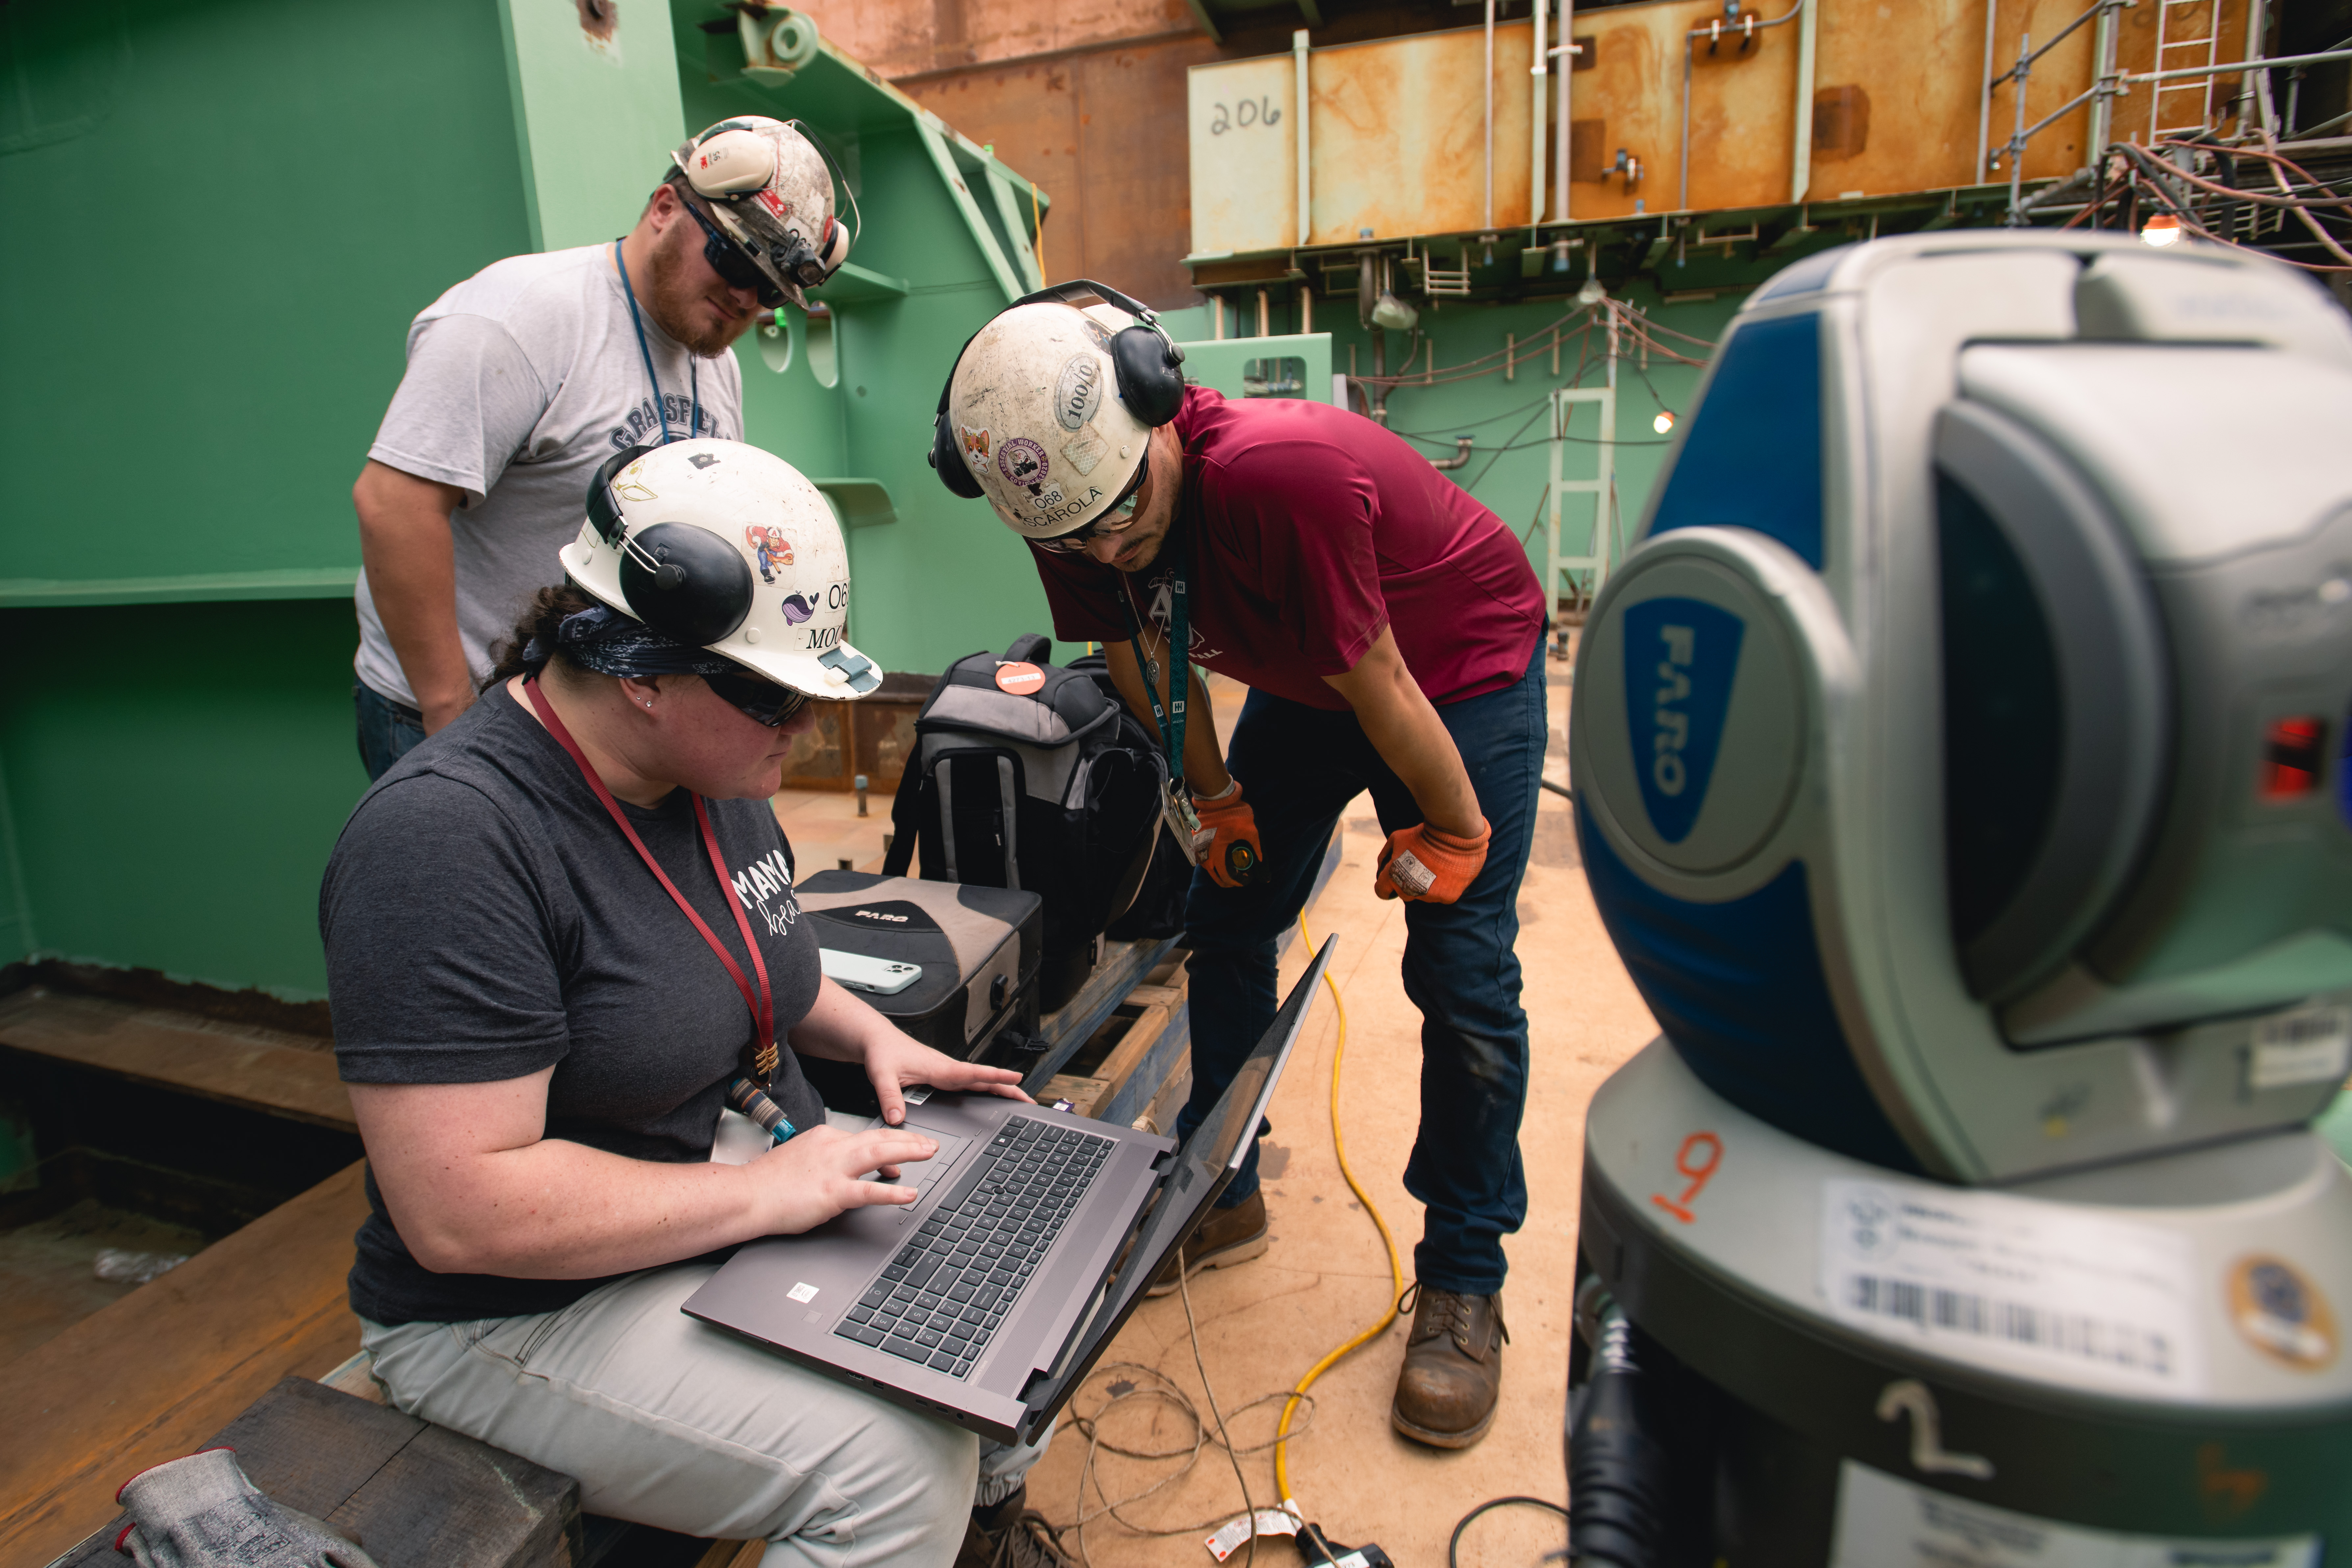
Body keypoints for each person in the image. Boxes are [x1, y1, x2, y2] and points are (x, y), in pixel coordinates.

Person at [323, 441, 1072, 1566]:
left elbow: (749, 950)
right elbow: (461, 1208)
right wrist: (768, 1190)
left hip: (697, 1176)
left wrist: (876, 1038)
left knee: (1020, 1248)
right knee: (893, 1470)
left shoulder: (704, 769)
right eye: (776, 697)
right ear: (640, 670)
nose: (806, 731)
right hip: (505, 1308)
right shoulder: (447, 841)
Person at [931, 283, 1547, 1451]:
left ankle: (1467, 1274)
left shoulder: (1280, 475)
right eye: (1080, 538)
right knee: (1224, 913)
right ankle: (1222, 1186)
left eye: (1126, 514)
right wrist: (1213, 798)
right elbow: (1140, 651)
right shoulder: (1067, 497)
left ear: (1160, 411)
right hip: (1315, 681)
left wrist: (1455, 827)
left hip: (1454, 667)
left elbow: (1385, 681)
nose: (1111, 546)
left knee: (1462, 974)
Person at [350, 114, 853, 780]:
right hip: (465, 708)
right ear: (665, 208)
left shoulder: (715, 360)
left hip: (599, 717)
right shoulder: (517, 318)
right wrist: (451, 716)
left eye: (768, 292)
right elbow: (393, 504)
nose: (743, 298)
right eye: (733, 260)